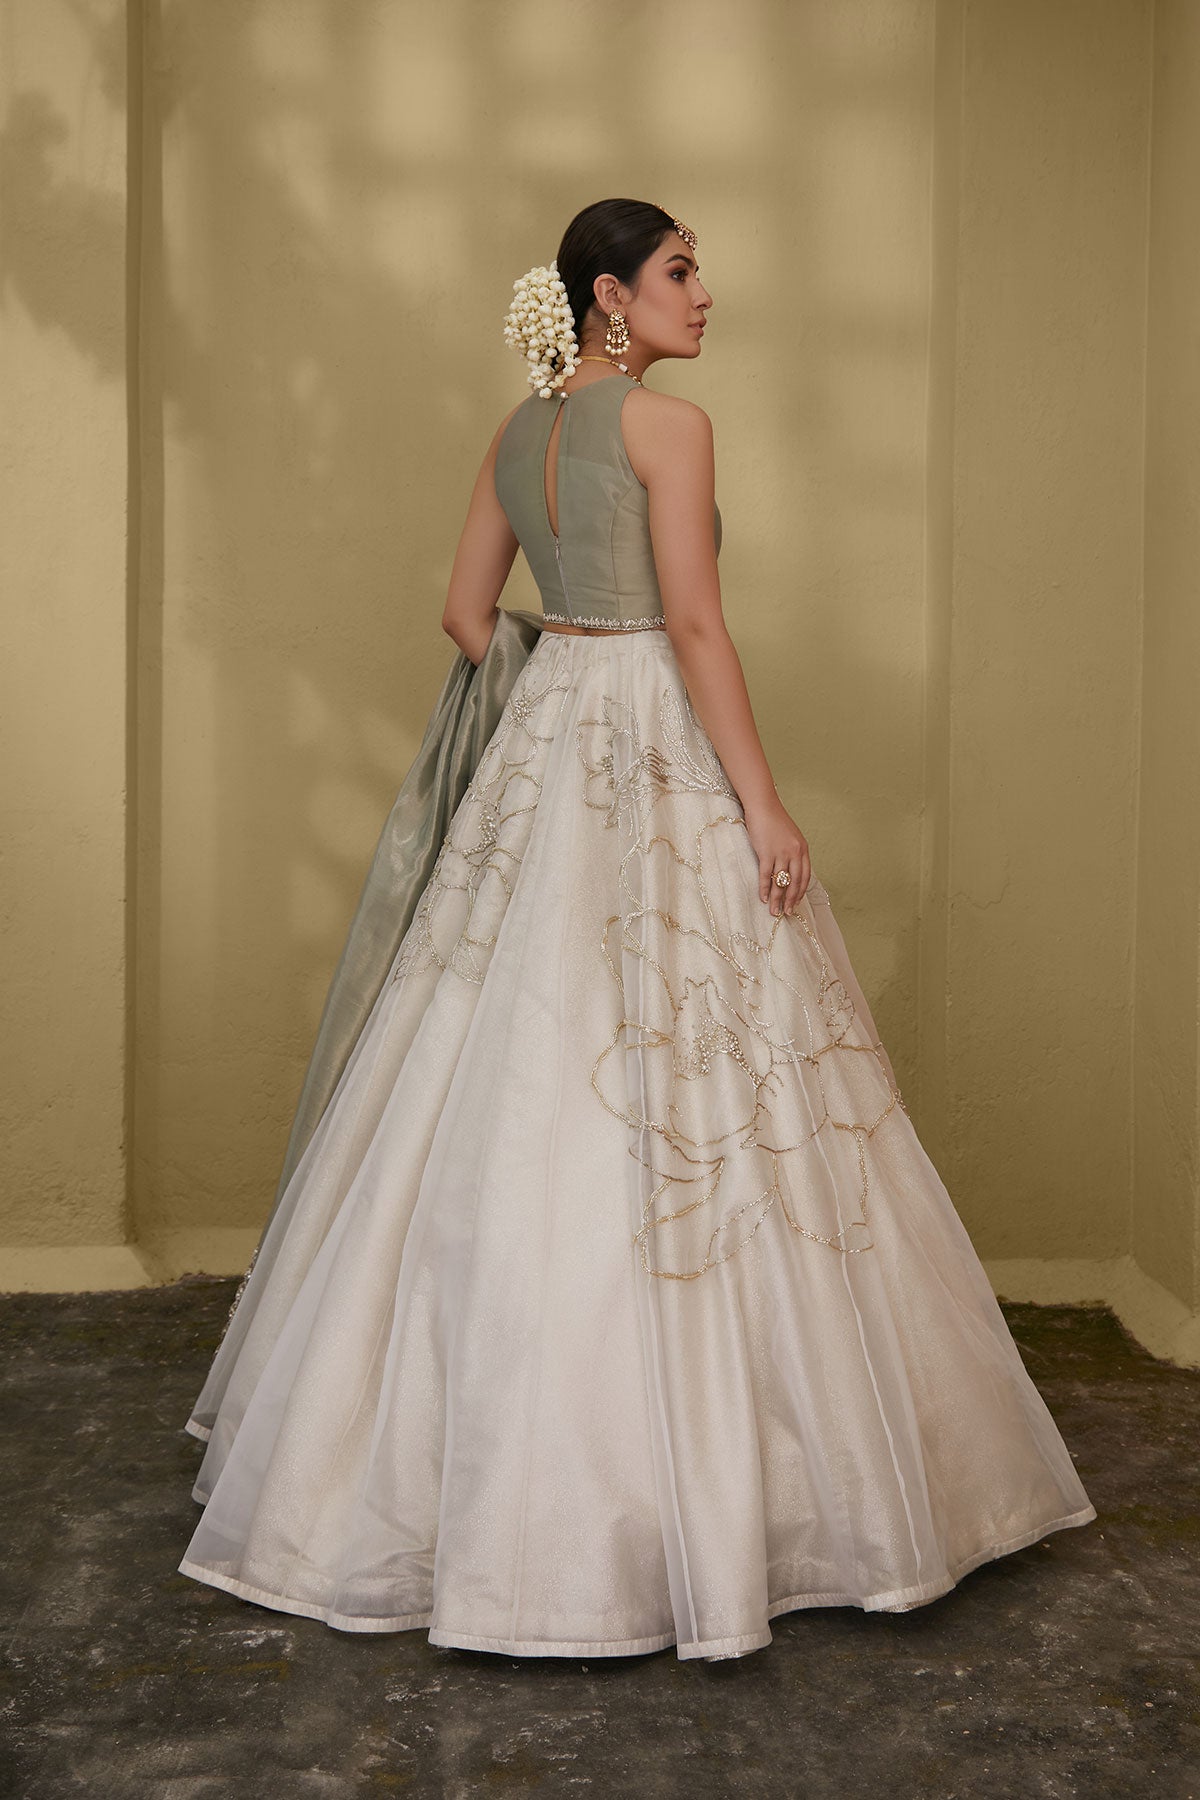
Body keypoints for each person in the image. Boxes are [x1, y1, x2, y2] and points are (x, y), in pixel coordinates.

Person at [179, 198, 1096, 1662]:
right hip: (653, 726)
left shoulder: (515, 432)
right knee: (693, 1057)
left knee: (499, 1057)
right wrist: (767, 806)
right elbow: (702, 626)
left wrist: (564, 684)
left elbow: (466, 615)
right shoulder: (673, 431)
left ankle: (434, 1473)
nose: (702, 294)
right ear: (610, 295)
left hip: (550, 736)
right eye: (679, 272)